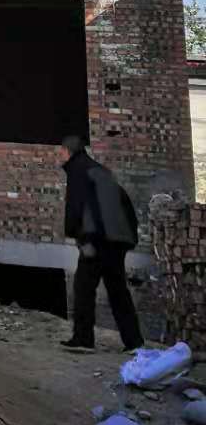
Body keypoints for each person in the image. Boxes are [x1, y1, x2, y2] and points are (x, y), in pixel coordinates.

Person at [60, 136, 145, 353]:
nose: (61, 156)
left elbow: (77, 206)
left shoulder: (78, 170)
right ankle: (134, 342)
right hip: (118, 240)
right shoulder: (100, 171)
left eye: (61, 152)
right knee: (118, 291)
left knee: (83, 288)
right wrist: (128, 238)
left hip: (96, 239)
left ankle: (83, 339)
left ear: (67, 151)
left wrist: (79, 237)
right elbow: (122, 202)